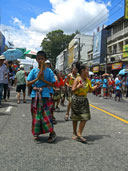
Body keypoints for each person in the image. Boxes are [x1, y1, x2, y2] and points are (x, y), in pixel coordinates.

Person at [27, 51, 56, 142]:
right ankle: (36, 132)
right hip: (35, 95)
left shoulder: (49, 71)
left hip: (46, 95)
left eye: (42, 58)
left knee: (47, 115)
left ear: (45, 59)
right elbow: (28, 83)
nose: (40, 60)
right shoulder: (33, 71)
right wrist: (37, 78)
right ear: (36, 60)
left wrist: (43, 79)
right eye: (38, 58)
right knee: (36, 115)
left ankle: (52, 133)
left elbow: (52, 84)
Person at [71, 62, 99, 143]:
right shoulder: (77, 79)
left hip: (84, 100)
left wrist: (96, 86)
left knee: (85, 117)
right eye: (87, 70)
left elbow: (90, 90)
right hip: (76, 99)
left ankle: (79, 134)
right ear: (83, 70)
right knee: (75, 118)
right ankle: (74, 132)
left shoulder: (88, 80)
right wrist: (77, 87)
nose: (88, 71)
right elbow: (72, 90)